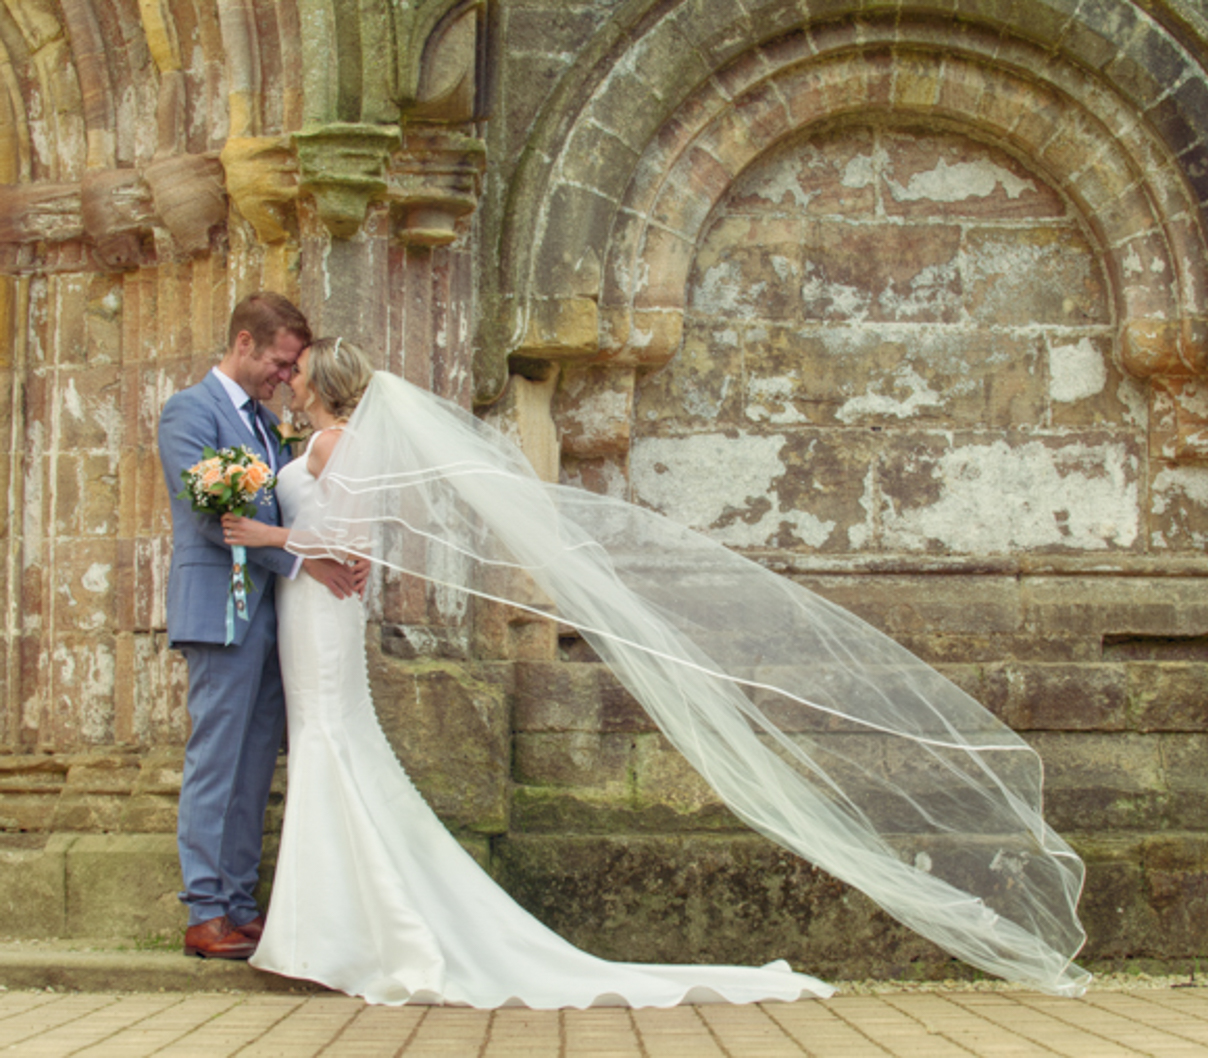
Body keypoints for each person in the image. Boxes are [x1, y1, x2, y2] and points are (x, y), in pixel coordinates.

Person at [221, 338, 835, 1006]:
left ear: (321, 383)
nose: (292, 377)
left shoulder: (330, 445)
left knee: (326, 739)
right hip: (315, 605)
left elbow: (350, 543)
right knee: (329, 738)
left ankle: (333, 936)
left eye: (300, 369)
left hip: (318, 607)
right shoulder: (328, 442)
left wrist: (267, 537)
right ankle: (334, 926)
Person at [157, 293, 365, 960]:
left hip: (273, 617)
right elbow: (210, 519)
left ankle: (240, 904)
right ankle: (205, 910)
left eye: (291, 368)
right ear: (244, 343)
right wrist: (309, 558)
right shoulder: (190, 411)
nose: (285, 375)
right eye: (279, 362)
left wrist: (322, 557)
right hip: (218, 610)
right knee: (217, 760)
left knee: (252, 767)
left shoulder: (269, 425)